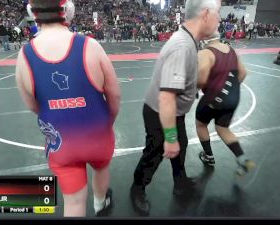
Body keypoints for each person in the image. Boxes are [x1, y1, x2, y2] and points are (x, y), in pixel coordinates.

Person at [15, 0, 121, 217]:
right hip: (97, 134)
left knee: (72, 203)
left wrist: (58, 110)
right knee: (101, 168)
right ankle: (100, 202)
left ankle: (89, 204)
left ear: (32, 14)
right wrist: (108, 121)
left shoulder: (24, 56)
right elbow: (114, 94)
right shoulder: (90, 46)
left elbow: (32, 105)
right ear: (68, 11)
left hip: (61, 141)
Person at [130, 0, 221, 216]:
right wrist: (170, 138)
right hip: (160, 112)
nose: (219, 20)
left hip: (173, 112)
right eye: (217, 14)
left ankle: (180, 183)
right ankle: (137, 189)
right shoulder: (182, 46)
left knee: (183, 146)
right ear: (206, 14)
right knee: (154, 154)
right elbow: (167, 98)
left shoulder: (190, 41)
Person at [195, 31, 256, 176]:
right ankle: (242, 160)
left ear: (204, 39)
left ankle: (208, 157)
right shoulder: (232, 50)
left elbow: (202, 76)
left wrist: (195, 87)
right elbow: (243, 73)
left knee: (201, 124)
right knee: (223, 129)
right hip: (233, 98)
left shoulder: (205, 53)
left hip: (213, 98)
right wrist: (231, 90)